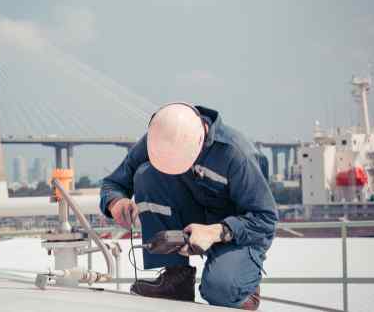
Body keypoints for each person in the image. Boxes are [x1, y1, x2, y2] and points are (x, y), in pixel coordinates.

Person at [100, 102, 278, 310]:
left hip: (237, 233)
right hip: (192, 218)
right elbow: (113, 183)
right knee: (146, 175)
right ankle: (176, 279)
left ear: (200, 142)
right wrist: (115, 201)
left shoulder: (236, 154)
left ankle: (244, 291)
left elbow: (265, 219)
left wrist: (217, 232)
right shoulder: (159, 138)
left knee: (221, 290)